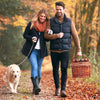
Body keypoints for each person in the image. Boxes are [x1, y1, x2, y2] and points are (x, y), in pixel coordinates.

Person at [44, 1, 82, 97]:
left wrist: (79, 49)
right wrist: (56, 36)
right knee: (55, 70)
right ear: (55, 9)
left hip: (65, 50)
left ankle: (63, 90)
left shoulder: (69, 22)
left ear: (64, 10)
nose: (58, 11)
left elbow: (75, 36)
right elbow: (46, 35)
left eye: (60, 9)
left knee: (64, 70)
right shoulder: (51, 21)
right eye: (57, 9)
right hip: (54, 51)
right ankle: (57, 88)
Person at [22, 9, 49, 95]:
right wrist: (31, 38)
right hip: (32, 50)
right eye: (41, 16)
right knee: (35, 66)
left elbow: (47, 39)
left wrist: (49, 33)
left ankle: (35, 88)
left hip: (42, 51)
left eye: (44, 17)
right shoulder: (32, 24)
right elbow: (25, 35)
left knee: (39, 69)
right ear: (38, 16)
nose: (43, 18)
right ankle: (37, 86)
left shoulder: (47, 26)